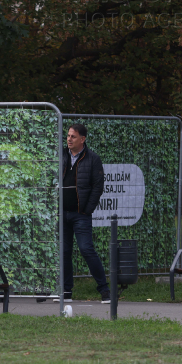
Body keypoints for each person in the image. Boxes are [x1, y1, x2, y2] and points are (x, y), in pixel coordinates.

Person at [59, 123, 110, 303]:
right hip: (62, 213)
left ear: (83, 139)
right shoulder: (61, 156)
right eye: (68, 136)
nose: (69, 139)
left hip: (81, 215)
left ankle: (104, 290)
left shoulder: (93, 159)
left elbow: (98, 186)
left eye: (73, 137)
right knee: (64, 251)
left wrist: (87, 210)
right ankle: (66, 292)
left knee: (86, 249)